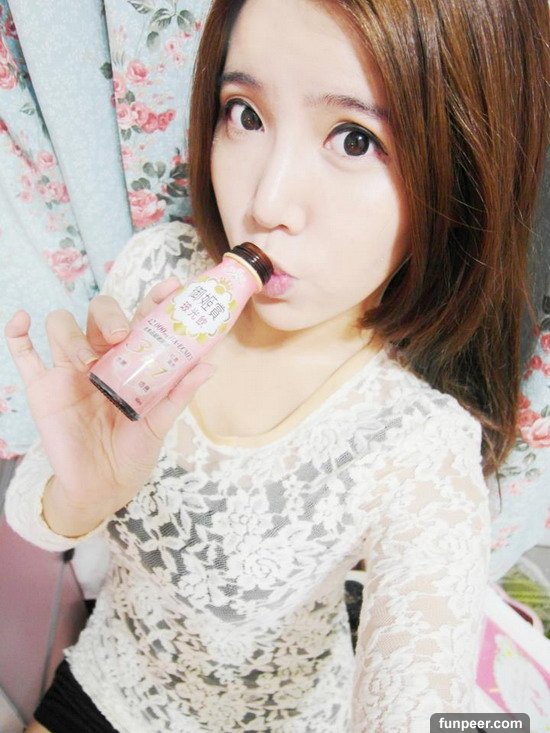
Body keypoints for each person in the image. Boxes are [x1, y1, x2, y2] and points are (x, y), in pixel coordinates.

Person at [4, 0, 549, 730]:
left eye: (355, 139)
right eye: (247, 114)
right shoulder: (159, 277)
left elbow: (416, 702)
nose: (266, 203)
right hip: (108, 678)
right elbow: (34, 518)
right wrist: (84, 494)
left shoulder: (421, 445)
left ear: (455, 174)